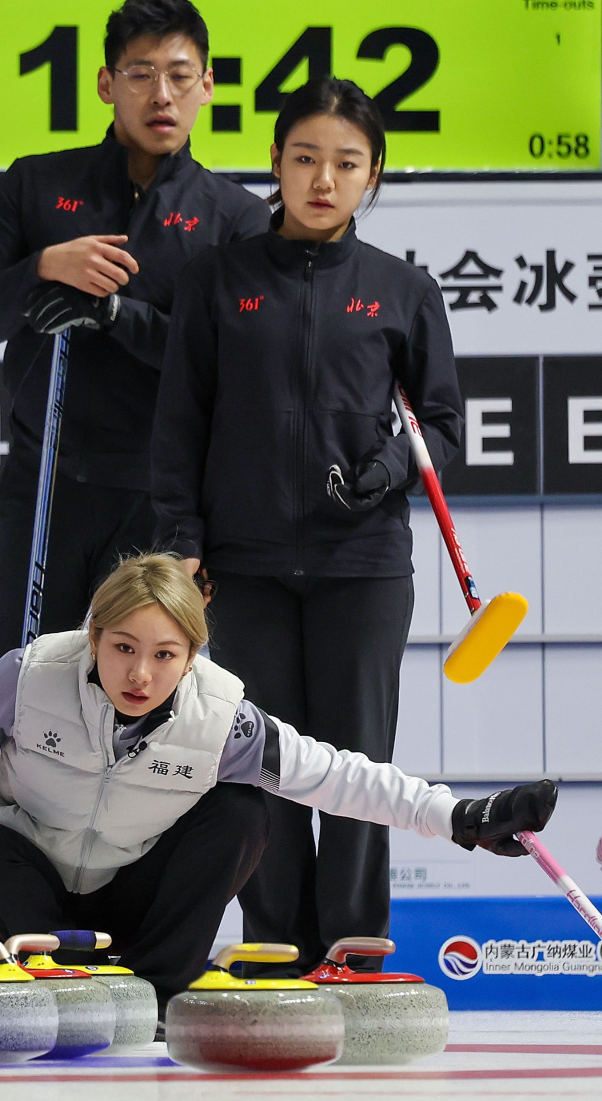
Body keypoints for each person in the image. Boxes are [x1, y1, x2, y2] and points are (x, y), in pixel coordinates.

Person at [0, 554, 556, 1010]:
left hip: (131, 897)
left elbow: (334, 776)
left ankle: (158, 996)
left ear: (192, 657)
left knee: (244, 812)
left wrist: (460, 817)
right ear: (94, 637)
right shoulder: (26, 678)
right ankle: (46, 981)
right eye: (122, 648)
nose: (140, 673)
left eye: (165, 654)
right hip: (32, 892)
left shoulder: (222, 719)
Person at [150, 77, 465, 974]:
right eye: (304, 158)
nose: (323, 179)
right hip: (240, 566)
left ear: (373, 177)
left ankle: (356, 952)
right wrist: (185, 541)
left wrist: (390, 465)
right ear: (277, 163)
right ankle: (276, 948)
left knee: (361, 760)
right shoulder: (218, 280)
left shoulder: (401, 290)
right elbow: (180, 424)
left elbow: (444, 425)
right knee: (262, 758)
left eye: (347, 163)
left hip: (362, 564)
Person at [0, 0, 267, 677]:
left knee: (142, 698)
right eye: (142, 73)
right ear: (105, 83)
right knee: (13, 684)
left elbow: (231, 369)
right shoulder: (37, 183)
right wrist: (42, 268)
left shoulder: (234, 219)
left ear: (208, 86)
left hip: (161, 504)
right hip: (43, 484)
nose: (162, 95)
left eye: (181, 76)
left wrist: (117, 316)